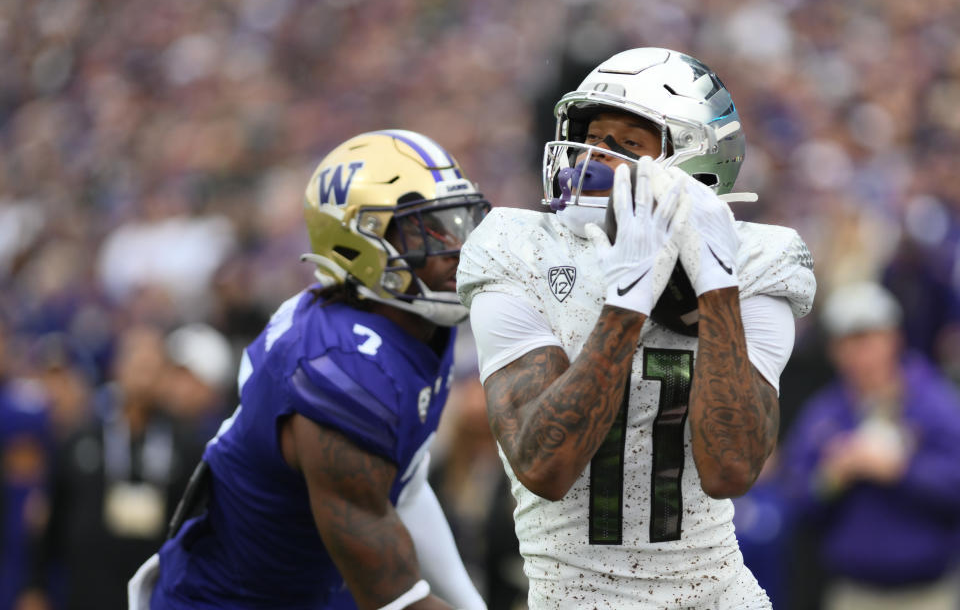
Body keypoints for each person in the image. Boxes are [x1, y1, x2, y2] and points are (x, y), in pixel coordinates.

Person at [456, 47, 817, 609]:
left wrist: (716, 286)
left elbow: (733, 467)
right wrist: (627, 302)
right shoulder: (515, 248)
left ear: (697, 166)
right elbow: (544, 465)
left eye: (627, 146)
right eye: (592, 137)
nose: (592, 158)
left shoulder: (755, 260)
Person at [132, 130, 491, 610]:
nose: (455, 247)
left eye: (457, 221)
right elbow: (396, 599)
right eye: (426, 229)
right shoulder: (338, 367)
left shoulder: (413, 323)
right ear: (358, 244)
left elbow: (402, 487)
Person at [778, 281, 960, 610]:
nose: (859, 354)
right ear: (833, 350)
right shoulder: (825, 413)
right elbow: (795, 496)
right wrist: (834, 476)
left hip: (929, 592)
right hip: (853, 591)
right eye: (847, 342)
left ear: (894, 338)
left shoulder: (935, 402)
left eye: (868, 339)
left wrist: (902, 470)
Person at [20, 324, 204, 610]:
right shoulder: (81, 439)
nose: (145, 375)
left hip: (158, 594)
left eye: (153, 366)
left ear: (165, 376)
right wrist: (35, 586)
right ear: (118, 367)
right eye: (137, 363)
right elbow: (52, 517)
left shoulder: (187, 445)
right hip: (89, 591)